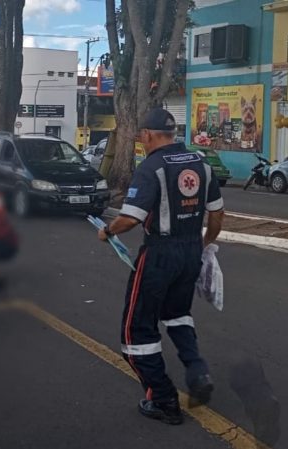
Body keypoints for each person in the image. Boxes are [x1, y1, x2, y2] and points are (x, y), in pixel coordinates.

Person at [97, 108, 225, 425]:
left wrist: (108, 231)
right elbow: (218, 213)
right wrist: (204, 244)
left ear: (150, 135)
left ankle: (164, 399)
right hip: (191, 250)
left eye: (141, 135)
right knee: (177, 313)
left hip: (160, 254)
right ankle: (197, 368)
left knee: (135, 330)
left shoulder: (151, 167)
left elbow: (131, 218)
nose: (140, 140)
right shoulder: (200, 162)